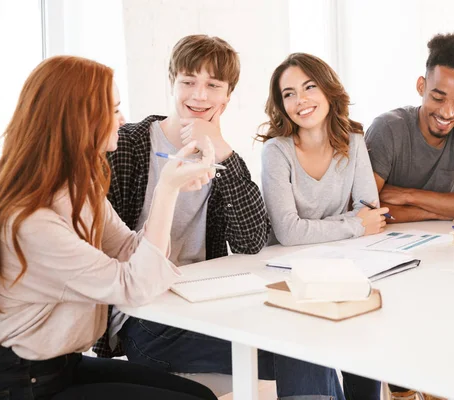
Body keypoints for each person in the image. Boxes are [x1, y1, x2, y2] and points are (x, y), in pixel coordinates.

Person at [93, 35, 344, 400]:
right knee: (303, 348)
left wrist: (221, 149)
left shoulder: (226, 160)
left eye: (213, 85)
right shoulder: (128, 145)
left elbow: (251, 240)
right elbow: (109, 249)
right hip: (146, 320)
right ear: (172, 83)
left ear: (227, 97)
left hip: (206, 305)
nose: (199, 95)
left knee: (310, 339)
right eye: (188, 82)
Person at [0, 55, 219, 400]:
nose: (122, 119)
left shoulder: (75, 189)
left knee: (201, 396)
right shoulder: (30, 220)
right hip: (27, 385)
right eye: (113, 109)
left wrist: (170, 193)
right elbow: (134, 286)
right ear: (77, 120)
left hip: (64, 366)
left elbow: (132, 250)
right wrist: (166, 190)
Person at [256, 52, 388, 400]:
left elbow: (371, 213)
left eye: (309, 87)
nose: (301, 100)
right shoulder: (276, 152)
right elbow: (288, 232)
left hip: (341, 265)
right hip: (290, 274)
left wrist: (347, 225)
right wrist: (352, 225)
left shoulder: (354, 142)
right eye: (289, 94)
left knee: (364, 332)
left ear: (328, 90)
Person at [365, 33, 454, 225]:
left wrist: (409, 196)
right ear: (421, 86)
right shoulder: (388, 129)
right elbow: (367, 208)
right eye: (438, 98)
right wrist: (442, 212)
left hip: (449, 244)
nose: (447, 113)